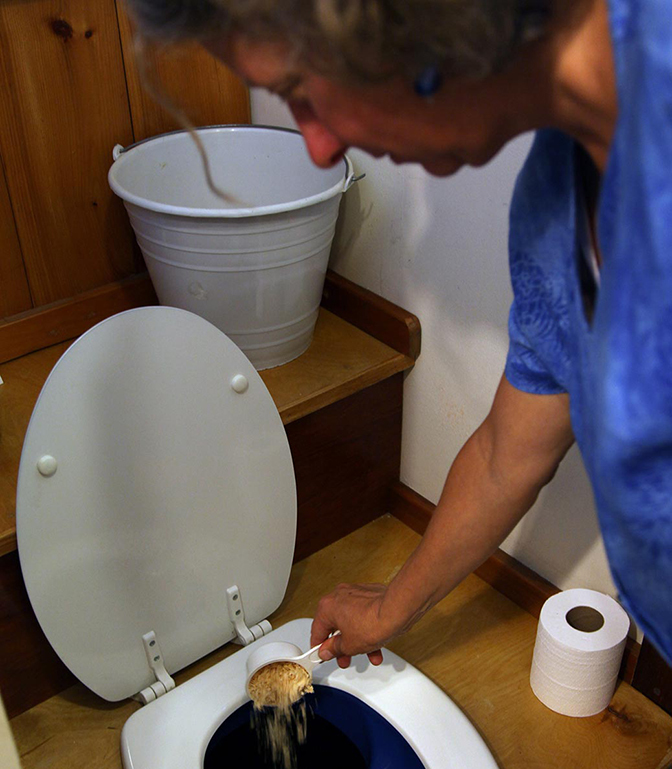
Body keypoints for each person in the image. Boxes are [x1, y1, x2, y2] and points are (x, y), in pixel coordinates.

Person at [125, 0, 672, 667]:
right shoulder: (554, 203)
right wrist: (386, 609)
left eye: (299, 95)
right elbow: (509, 452)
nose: (320, 146)